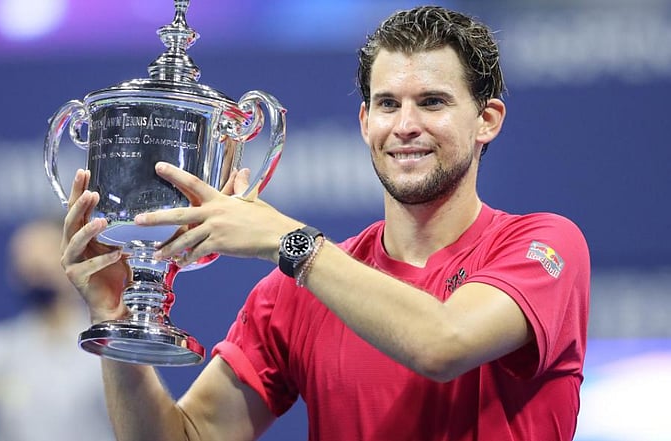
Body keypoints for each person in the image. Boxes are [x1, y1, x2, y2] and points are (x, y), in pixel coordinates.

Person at [60, 5, 590, 441]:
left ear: (486, 121)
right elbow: (188, 435)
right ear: (365, 123)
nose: (406, 126)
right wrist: (117, 318)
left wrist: (288, 243)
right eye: (387, 104)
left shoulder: (544, 245)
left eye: (432, 102)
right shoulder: (297, 293)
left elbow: (442, 343)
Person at [0, 220, 114, 441]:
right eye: (24, 257)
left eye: (44, 253)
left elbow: (144, 418)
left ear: (74, 260)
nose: (34, 264)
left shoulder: (108, 343)